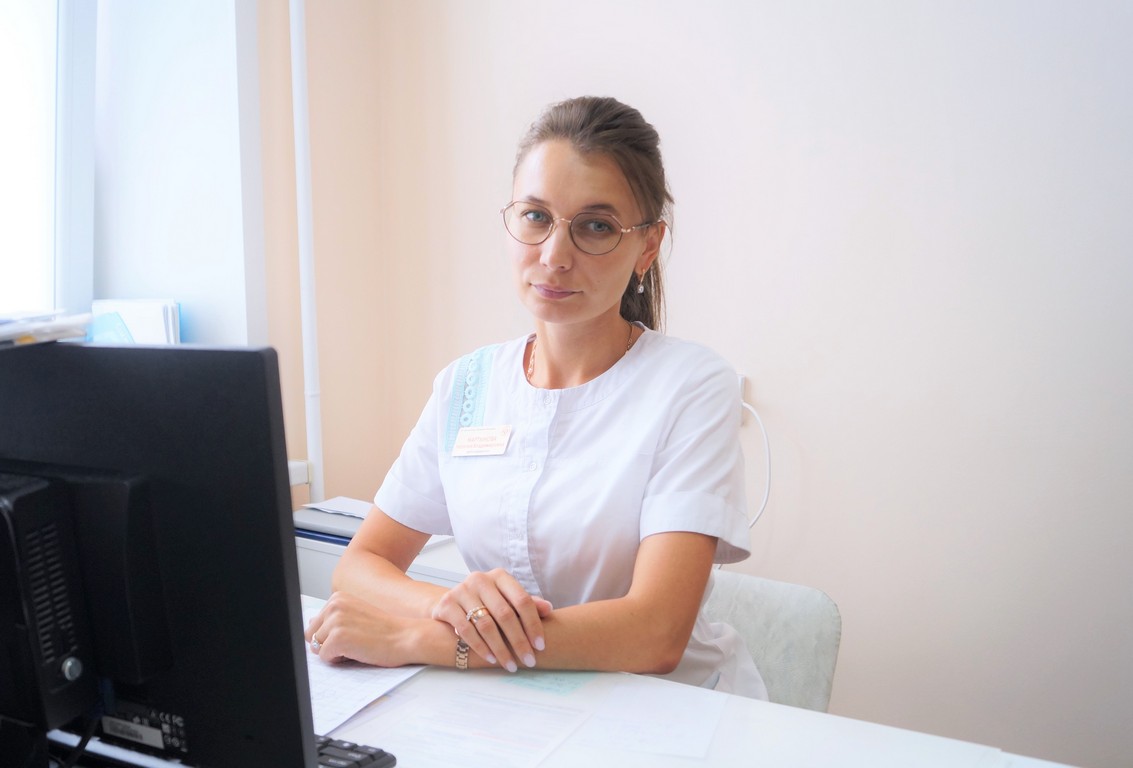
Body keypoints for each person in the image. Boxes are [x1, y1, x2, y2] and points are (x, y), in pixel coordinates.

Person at [304, 96, 768, 699]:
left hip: (669, 712)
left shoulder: (692, 385)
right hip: (512, 707)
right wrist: (448, 606)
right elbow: (360, 566)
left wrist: (423, 639)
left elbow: (655, 634)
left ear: (648, 247)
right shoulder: (466, 385)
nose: (554, 256)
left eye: (596, 226)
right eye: (535, 217)